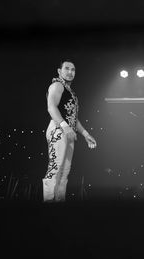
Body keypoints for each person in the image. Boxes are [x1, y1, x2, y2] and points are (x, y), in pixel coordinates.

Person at [43, 60, 97, 202]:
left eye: (73, 70)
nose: (70, 72)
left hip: (69, 132)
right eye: (66, 69)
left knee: (64, 172)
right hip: (58, 129)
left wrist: (86, 134)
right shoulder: (57, 85)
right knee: (55, 169)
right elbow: (51, 107)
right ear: (59, 71)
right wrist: (65, 127)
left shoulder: (70, 92)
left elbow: (73, 119)